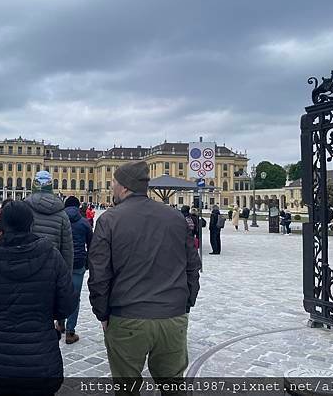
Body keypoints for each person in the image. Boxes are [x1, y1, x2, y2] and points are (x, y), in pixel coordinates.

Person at [88, 161, 201, 393]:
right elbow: (192, 267)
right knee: (173, 388)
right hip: (172, 316)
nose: (111, 189)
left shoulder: (109, 220)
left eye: (113, 185)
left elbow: (99, 275)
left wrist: (102, 313)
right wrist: (185, 303)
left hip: (127, 316)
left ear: (125, 187)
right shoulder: (175, 217)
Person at [0, 201, 76, 396]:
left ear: (1, 228)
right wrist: (47, 315)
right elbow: (67, 304)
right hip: (40, 356)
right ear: (31, 224)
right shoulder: (51, 254)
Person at [25, 170, 73, 335]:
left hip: (27, 266)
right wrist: (67, 274)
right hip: (53, 269)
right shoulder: (62, 213)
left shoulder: (24, 208)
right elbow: (67, 248)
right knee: (48, 303)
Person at [64, 196, 93, 345]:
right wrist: (87, 261)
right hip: (78, 263)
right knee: (75, 297)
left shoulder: (60, 220)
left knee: (60, 292)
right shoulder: (84, 223)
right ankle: (70, 331)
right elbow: (92, 244)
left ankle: (60, 323)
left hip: (61, 263)